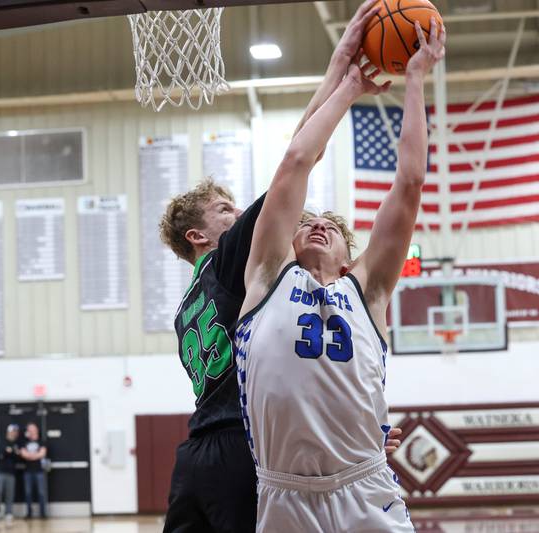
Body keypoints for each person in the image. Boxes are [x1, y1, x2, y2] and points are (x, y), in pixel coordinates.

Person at [157, 2, 400, 531]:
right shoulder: (230, 264)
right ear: (197, 235)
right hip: (245, 451)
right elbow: (298, 155)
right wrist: (340, 73)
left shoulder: (185, 308)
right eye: (226, 210)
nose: (242, 213)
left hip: (193, 454)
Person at [234, 17, 446, 532]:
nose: (319, 224)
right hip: (284, 493)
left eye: (330, 225)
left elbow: (411, 182)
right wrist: (349, 85)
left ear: (350, 258)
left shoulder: (367, 289)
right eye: (309, 223)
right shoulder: (267, 277)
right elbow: (295, 163)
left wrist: (416, 79)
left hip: (366, 487)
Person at [19, 422, 48, 519]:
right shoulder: (24, 442)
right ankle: (29, 513)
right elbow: (23, 454)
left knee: (41, 493)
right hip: (28, 471)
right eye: (28, 429)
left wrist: (30, 456)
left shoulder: (42, 441)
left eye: (31, 429)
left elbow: (42, 454)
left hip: (39, 471)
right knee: (28, 493)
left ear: (36, 430)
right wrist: (35, 455)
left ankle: (43, 513)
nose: (30, 431)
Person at [0, 423, 20, 523]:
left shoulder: (16, 444)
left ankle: (9, 513)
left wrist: (11, 452)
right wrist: (11, 452)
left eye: (16, 432)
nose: (14, 433)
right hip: (0, 472)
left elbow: (17, 456)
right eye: (13, 431)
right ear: (9, 432)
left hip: (11, 473)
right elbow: (2, 454)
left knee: (10, 494)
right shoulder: (1, 442)